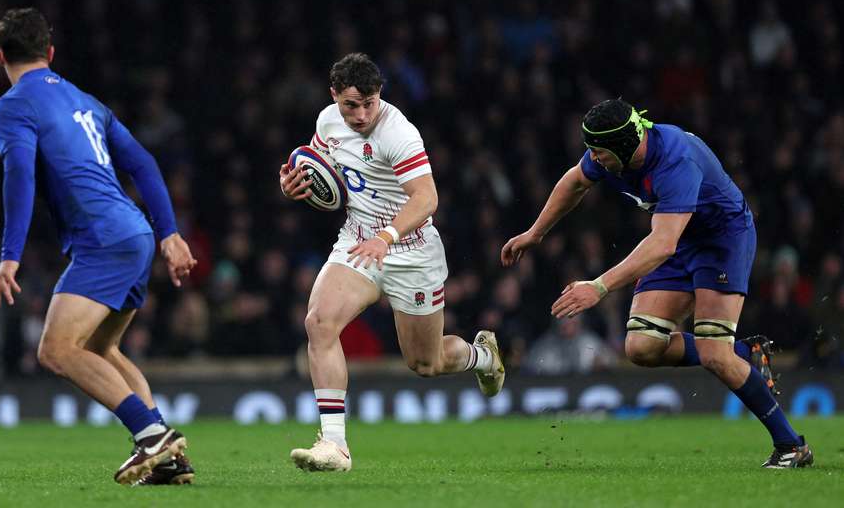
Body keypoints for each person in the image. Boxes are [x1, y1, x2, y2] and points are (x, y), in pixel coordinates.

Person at [501, 98, 813, 469]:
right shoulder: (614, 150)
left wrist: (598, 286)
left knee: (715, 355)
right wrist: (535, 233)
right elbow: (574, 182)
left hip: (720, 240)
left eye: (599, 153)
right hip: (677, 238)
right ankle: (746, 354)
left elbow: (661, 244)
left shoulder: (675, 160)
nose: (594, 160)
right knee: (641, 347)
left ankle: (791, 445)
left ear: (622, 145)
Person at [0, 8, 198, 484]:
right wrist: (169, 232)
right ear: (51, 52)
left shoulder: (13, 105)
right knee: (101, 347)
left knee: (57, 350)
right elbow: (143, 163)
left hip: (103, 239)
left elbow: (18, 174)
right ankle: (166, 455)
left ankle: (150, 436)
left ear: (0, 56)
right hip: (136, 233)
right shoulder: (86, 100)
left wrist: (9, 255)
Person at [279, 53, 504, 472]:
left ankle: (482, 356)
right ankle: (334, 445)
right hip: (359, 240)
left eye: (369, 102)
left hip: (411, 249)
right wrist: (293, 182)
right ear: (334, 96)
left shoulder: (398, 132)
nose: (362, 114)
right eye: (351, 105)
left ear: (380, 94)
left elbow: (427, 198)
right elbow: (316, 165)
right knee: (319, 322)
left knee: (426, 363)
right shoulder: (328, 121)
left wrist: (388, 237)